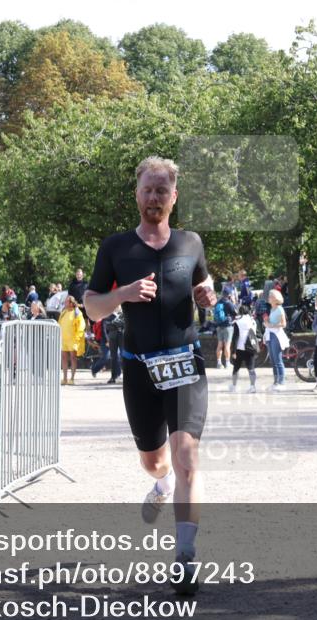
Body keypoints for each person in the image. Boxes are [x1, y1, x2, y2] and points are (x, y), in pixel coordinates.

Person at [83, 156, 216, 594]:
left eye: (163, 190)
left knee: (187, 459)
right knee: (156, 461)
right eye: (148, 189)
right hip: (140, 370)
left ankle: (185, 556)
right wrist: (122, 293)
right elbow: (92, 305)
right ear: (136, 194)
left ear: (174, 197)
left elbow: (203, 285)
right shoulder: (116, 247)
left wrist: (208, 292)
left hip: (185, 364)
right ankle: (158, 485)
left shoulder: (191, 242)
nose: (154, 197)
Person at [228, 304, 258, 393]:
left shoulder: (238, 321)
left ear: (240, 312)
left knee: (236, 368)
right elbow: (257, 334)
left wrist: (233, 351)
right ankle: (253, 387)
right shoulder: (253, 320)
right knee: (251, 368)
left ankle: (234, 386)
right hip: (251, 347)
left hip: (239, 348)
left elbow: (235, 337)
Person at [58, 295, 85, 385]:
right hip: (64, 339)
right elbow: (59, 323)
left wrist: (77, 337)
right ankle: (65, 378)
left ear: (70, 303)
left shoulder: (77, 312)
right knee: (64, 358)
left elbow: (81, 325)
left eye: (66, 302)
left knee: (73, 358)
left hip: (73, 339)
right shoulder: (63, 312)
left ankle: (72, 378)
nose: (64, 303)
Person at [212, 287, 236, 369]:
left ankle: (219, 363)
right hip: (227, 326)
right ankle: (227, 363)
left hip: (219, 326)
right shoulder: (228, 302)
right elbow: (235, 313)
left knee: (219, 345)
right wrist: (234, 301)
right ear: (229, 294)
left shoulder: (218, 302)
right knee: (227, 345)